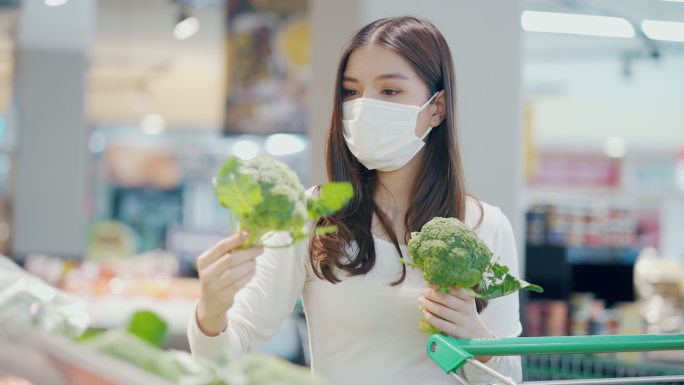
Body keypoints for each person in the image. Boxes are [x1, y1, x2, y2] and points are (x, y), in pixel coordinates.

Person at [188, 16, 523, 385]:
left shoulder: (486, 226)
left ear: (437, 107)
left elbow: (507, 380)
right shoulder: (312, 215)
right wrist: (211, 309)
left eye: (390, 91)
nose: (364, 107)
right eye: (350, 92)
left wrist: (476, 336)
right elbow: (226, 352)